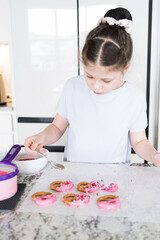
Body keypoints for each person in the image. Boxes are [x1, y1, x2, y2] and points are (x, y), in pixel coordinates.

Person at [24, 7, 160, 166]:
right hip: (75, 174)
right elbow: (57, 127)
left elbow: (139, 142)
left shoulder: (134, 97)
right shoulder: (72, 87)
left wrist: (154, 155)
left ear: (125, 69)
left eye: (106, 80)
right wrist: (41, 137)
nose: (96, 86)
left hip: (115, 178)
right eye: (89, 75)